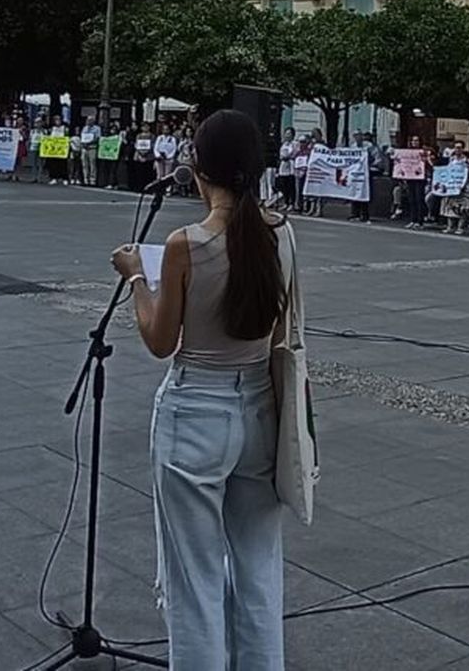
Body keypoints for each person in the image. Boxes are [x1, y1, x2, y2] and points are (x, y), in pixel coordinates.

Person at [108, 109, 293, 670]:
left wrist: (138, 277)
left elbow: (161, 341)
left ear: (196, 169)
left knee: (194, 577)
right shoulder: (281, 233)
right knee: (259, 569)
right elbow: (282, 332)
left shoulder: (187, 243)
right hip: (260, 407)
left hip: (195, 409)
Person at [401, 135, 432, 230]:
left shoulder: (424, 152)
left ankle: (420, 221)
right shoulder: (408, 151)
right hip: (411, 178)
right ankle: (413, 220)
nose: (415, 142)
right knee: (412, 199)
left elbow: (431, 163)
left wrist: (426, 159)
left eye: (417, 141)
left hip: (420, 178)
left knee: (419, 199)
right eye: (413, 141)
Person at [349, 131, 375, 223]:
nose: (357, 138)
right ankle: (354, 214)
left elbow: (375, 157)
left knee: (365, 193)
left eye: (359, 135)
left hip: (365, 173)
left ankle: (365, 215)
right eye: (355, 136)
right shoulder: (353, 146)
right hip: (356, 173)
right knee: (354, 193)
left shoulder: (368, 146)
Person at [276, 128, 297, 212]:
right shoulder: (283, 144)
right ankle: (286, 202)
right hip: (283, 166)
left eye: (289, 134)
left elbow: (295, 153)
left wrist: (288, 157)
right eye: (286, 133)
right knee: (283, 186)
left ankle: (292, 203)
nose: (287, 135)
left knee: (290, 186)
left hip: (291, 166)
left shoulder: (294, 144)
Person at [80, 115, 102, 186]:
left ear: (93, 121)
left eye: (90, 120)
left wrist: (89, 142)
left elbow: (98, 138)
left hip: (92, 148)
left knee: (92, 164)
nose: (88, 121)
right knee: (84, 165)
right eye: (87, 120)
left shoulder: (97, 128)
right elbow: (82, 137)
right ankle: (85, 180)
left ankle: (92, 181)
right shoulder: (84, 128)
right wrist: (83, 143)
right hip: (84, 148)